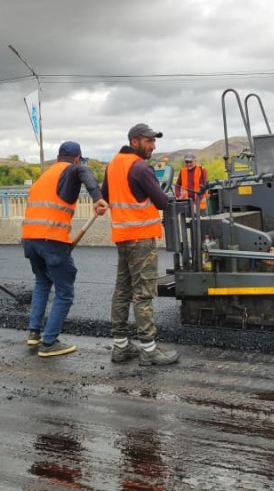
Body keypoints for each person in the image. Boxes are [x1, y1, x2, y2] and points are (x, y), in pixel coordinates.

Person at [22, 141, 108, 357]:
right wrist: (98, 199)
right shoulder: (74, 168)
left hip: (30, 239)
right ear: (77, 158)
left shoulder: (46, 175)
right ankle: (49, 342)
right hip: (52, 239)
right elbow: (83, 171)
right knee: (65, 292)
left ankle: (34, 334)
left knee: (42, 282)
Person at [102, 123, 179, 366]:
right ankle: (149, 349)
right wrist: (165, 195)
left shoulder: (113, 165)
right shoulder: (139, 167)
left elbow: (106, 195)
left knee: (122, 291)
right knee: (143, 294)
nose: (153, 145)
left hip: (122, 237)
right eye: (149, 141)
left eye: (154, 141)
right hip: (141, 239)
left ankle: (121, 347)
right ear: (135, 141)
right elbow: (161, 202)